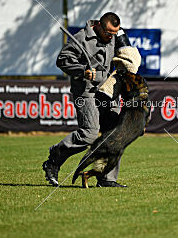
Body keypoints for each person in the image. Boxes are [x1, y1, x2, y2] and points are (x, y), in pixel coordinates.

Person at [42, 12, 130, 187]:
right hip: (87, 92)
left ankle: (106, 179)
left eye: (115, 33)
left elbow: (126, 53)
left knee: (114, 134)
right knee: (89, 134)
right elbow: (62, 60)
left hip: (108, 90)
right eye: (108, 33)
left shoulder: (115, 36)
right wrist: (83, 71)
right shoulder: (80, 38)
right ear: (98, 25)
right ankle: (55, 157)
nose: (111, 37)